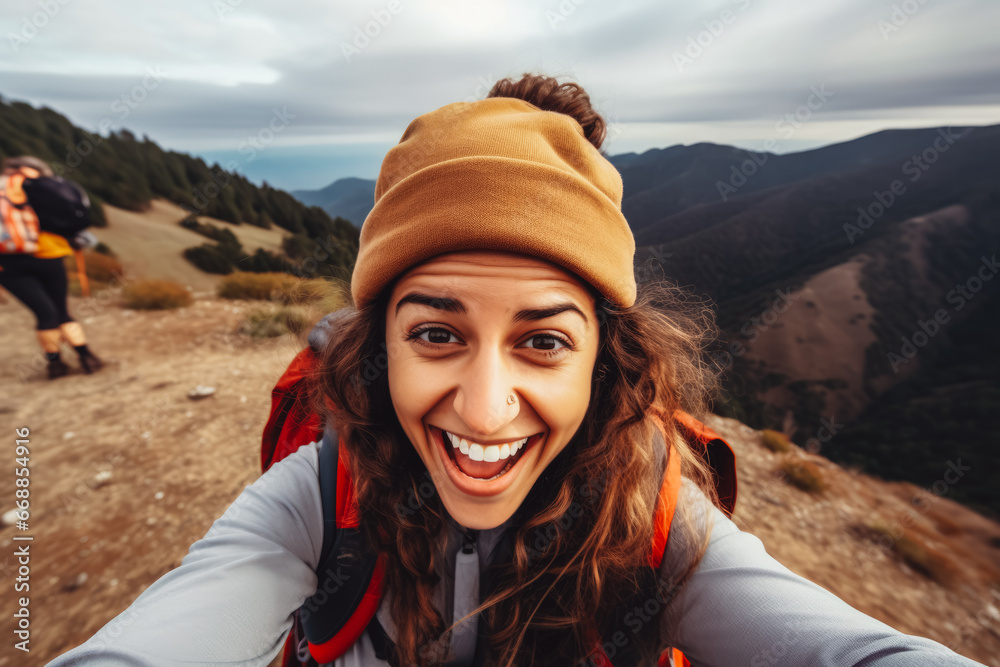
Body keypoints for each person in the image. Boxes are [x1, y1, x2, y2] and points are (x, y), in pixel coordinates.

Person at [45, 74, 985, 666]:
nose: (487, 409)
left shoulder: (653, 516)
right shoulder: (318, 494)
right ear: (378, 348)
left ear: (605, 366)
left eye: (542, 341)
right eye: (437, 335)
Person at [0, 155, 104, 379]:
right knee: (61, 311)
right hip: (49, 254)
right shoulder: (41, 188)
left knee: (44, 313)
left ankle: (55, 365)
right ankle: (87, 357)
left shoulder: (5, 188)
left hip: (7, 263)